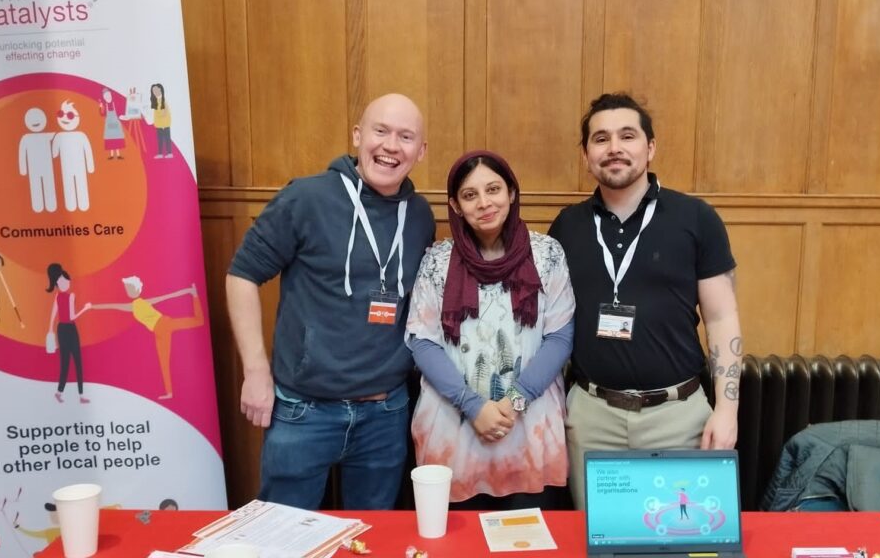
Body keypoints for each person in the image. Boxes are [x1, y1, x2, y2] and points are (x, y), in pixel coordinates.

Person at [226, 93, 434, 510]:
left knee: (372, 539)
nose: (391, 146)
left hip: (385, 412)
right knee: (281, 536)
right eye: (381, 131)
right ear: (358, 135)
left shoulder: (420, 216)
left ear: (421, 151)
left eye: (406, 136)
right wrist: (255, 370)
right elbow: (242, 275)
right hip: (303, 412)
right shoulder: (306, 198)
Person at [548, 92, 743, 510]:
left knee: (679, 538)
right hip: (592, 416)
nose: (614, 147)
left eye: (627, 135)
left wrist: (727, 411)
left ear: (650, 148)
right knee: (601, 543)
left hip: (678, 417)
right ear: (586, 155)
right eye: (600, 139)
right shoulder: (567, 226)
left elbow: (722, 318)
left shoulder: (696, 218)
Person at [406, 150, 575, 509]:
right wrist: (473, 406)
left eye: (494, 189)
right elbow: (423, 342)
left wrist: (514, 402)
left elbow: (559, 338)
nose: (484, 203)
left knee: (528, 541)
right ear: (455, 204)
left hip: (530, 429)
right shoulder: (437, 259)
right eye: (470, 195)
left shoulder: (547, 253)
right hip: (453, 427)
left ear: (512, 192)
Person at [91, 277, 204, 400]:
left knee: (198, 321)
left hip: (164, 324)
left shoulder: (142, 302)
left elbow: (166, 296)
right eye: (126, 288)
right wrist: (92, 306)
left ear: (136, 289)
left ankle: (195, 295)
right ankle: (169, 393)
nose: (127, 290)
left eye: (129, 288)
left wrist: (188, 291)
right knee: (163, 361)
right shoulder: (132, 306)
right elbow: (113, 306)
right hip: (159, 332)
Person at [46, 263, 92, 404]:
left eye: (66, 281)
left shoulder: (57, 296)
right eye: (62, 281)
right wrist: (85, 308)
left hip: (61, 329)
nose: (65, 283)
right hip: (70, 329)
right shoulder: (70, 296)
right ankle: (81, 395)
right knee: (77, 361)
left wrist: (50, 330)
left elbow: (53, 314)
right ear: (58, 282)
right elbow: (71, 317)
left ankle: (59, 393)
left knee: (65, 362)